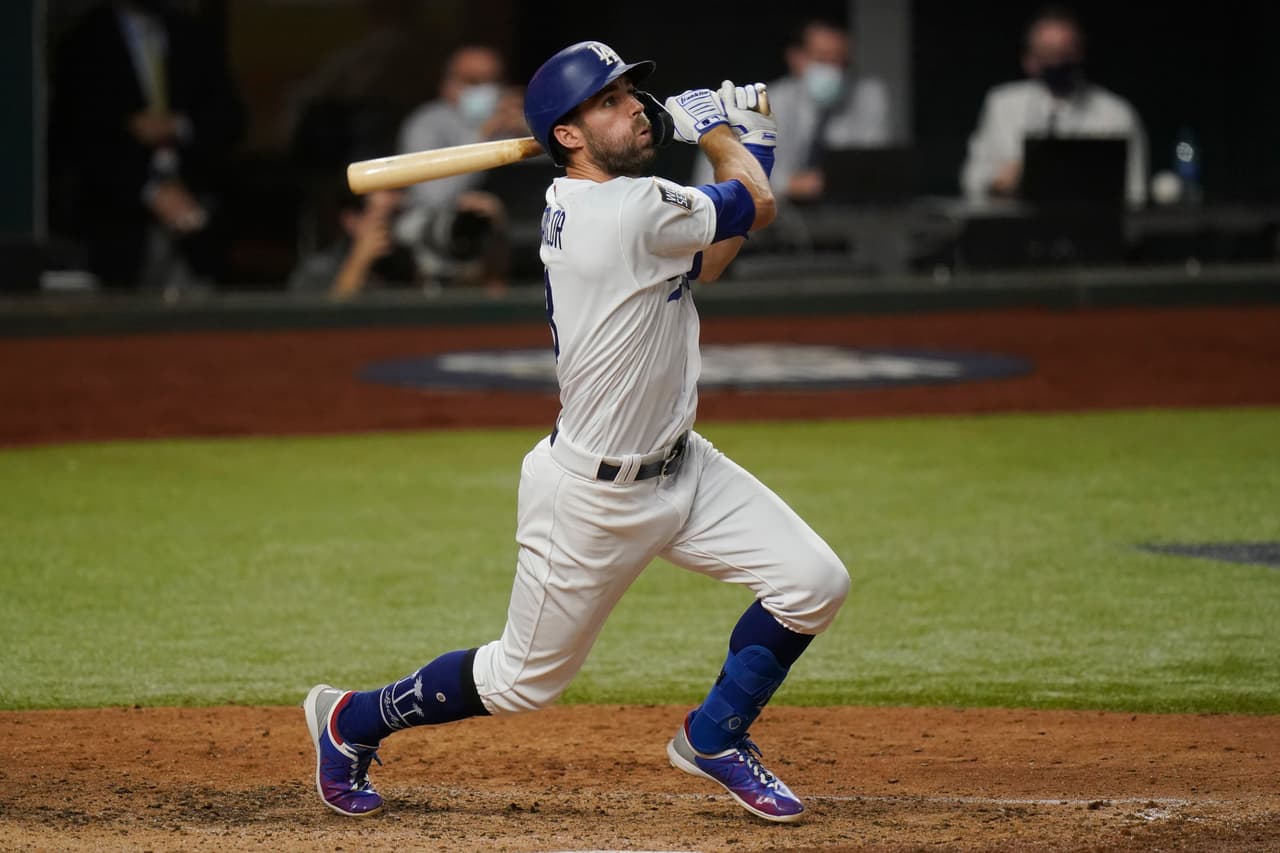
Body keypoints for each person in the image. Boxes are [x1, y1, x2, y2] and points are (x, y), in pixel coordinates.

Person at [302, 40, 850, 824]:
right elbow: (755, 204)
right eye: (609, 101)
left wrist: (746, 144)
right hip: (590, 498)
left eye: (631, 94)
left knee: (814, 581)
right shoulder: (625, 211)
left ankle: (715, 736)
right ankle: (349, 717)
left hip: (685, 469)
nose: (633, 109)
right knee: (519, 683)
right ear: (566, 133)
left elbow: (715, 257)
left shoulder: (620, 207)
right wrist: (723, 136)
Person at [48, 0, 244, 290]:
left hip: (195, 214)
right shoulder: (85, 41)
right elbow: (77, 140)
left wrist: (178, 125)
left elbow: (231, 119)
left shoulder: (191, 34)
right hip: (117, 224)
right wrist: (150, 191)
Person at [960, 4, 1148, 207]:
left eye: (1066, 51)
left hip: (1090, 230)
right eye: (1048, 52)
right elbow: (971, 178)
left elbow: (1135, 192)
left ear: (1081, 53)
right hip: (1017, 230)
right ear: (1029, 59)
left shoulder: (1116, 113)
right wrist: (998, 181)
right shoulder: (1002, 104)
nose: (1057, 60)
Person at [692, 18, 892, 202]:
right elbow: (716, 181)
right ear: (795, 57)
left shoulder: (865, 98)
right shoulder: (756, 106)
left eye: (841, 62)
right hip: (757, 230)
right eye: (823, 59)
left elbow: (871, 173)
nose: (834, 70)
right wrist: (787, 185)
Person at [394, 45, 530, 294]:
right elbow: (432, 196)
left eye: (492, 81)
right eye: (473, 81)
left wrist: (536, 130)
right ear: (447, 84)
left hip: (515, 233)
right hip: (445, 232)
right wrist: (485, 135)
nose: (485, 89)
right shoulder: (427, 123)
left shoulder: (518, 120)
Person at [287, 186, 419, 298]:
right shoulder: (317, 271)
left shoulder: (404, 264)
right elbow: (324, 320)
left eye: (398, 216)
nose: (392, 228)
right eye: (385, 218)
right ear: (351, 220)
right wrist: (359, 261)